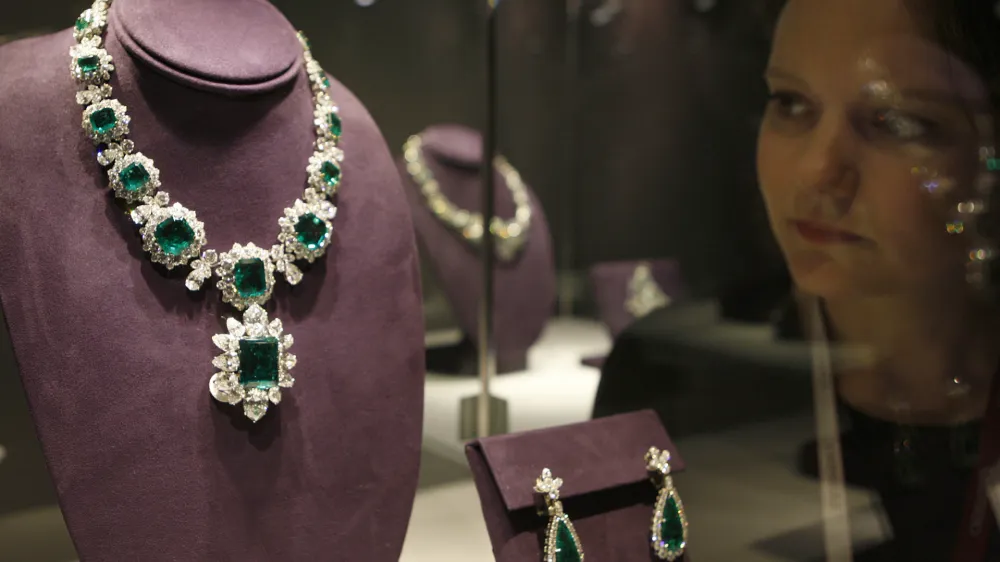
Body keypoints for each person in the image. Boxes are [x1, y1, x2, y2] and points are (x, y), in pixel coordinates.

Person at [596, 0, 1000, 559]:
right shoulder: (669, 382)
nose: (818, 169)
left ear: (988, 158)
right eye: (790, 102)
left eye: (897, 121)